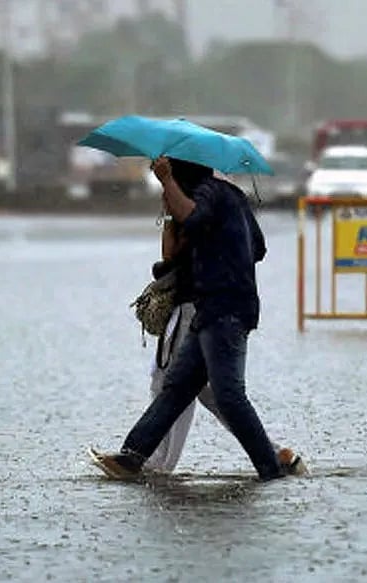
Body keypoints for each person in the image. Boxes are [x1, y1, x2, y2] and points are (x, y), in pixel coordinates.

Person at [91, 156, 292, 482]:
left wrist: (167, 182)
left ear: (182, 173)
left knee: (228, 395)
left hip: (224, 309)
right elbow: (257, 247)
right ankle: (131, 458)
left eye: (174, 174)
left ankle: (271, 468)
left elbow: (194, 218)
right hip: (212, 309)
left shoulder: (209, 193)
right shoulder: (231, 197)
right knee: (176, 388)